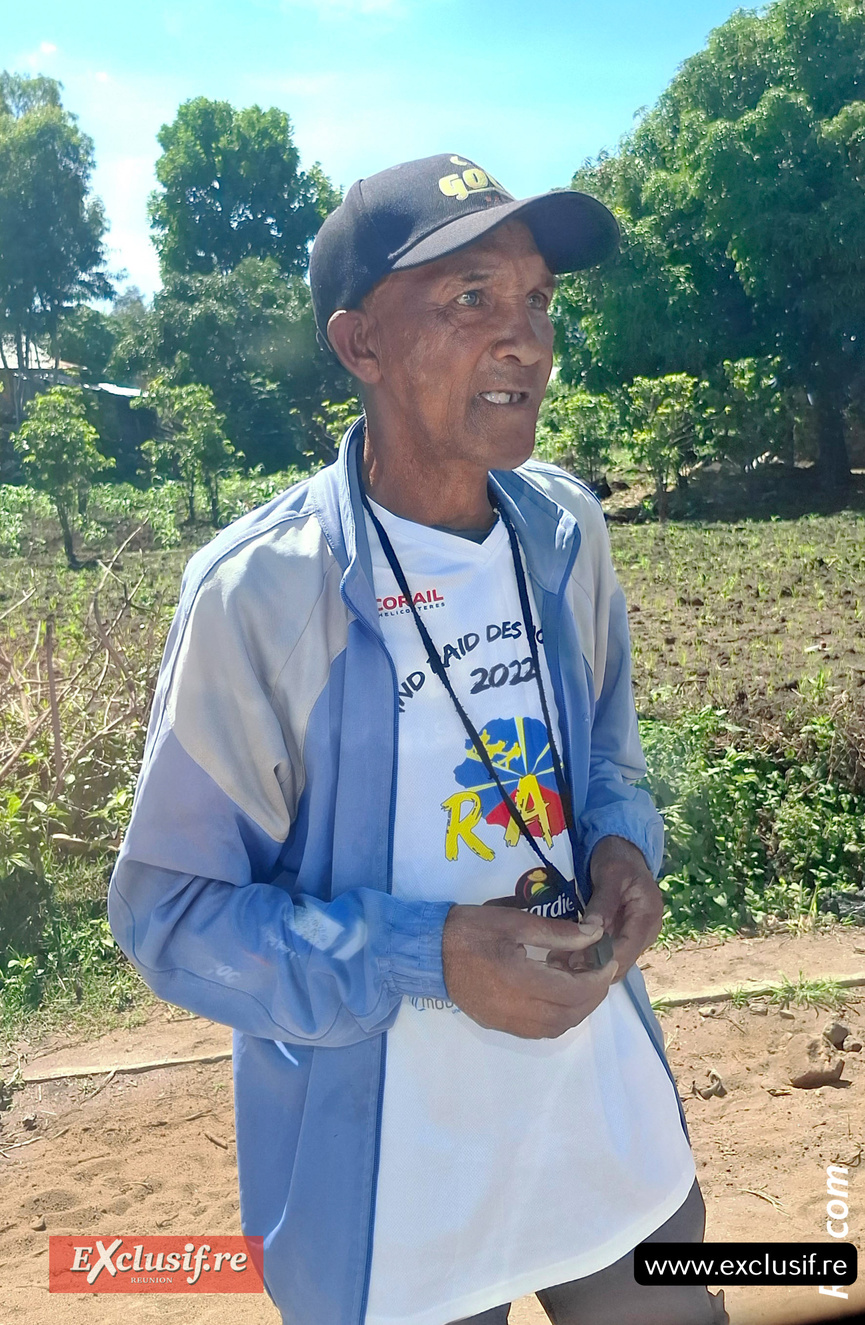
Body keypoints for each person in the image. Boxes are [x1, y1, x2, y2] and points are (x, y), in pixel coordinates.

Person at [107, 153, 727, 1325]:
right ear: (359, 346)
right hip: (401, 1204)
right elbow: (170, 917)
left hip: (603, 1129)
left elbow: (606, 759)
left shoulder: (564, 532)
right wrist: (425, 952)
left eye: (538, 300)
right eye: (472, 299)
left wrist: (622, 846)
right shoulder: (261, 595)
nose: (527, 341)